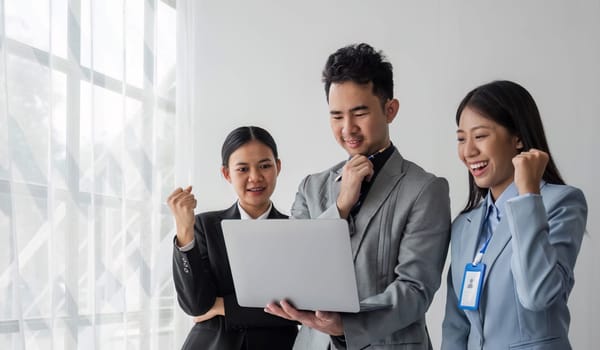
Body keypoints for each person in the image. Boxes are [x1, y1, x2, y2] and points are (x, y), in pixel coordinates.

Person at [265, 43, 451, 349]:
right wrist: (339, 207)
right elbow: (296, 265)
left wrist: (345, 326)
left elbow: (415, 289)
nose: (347, 128)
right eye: (336, 116)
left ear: (390, 110)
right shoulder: (311, 187)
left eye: (359, 113)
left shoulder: (424, 189)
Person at [441, 80, 588, 350]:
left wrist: (528, 195)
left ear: (517, 137)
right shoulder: (465, 224)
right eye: (462, 138)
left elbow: (538, 295)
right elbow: (456, 324)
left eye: (480, 136)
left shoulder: (561, 203)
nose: (468, 151)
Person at [169, 126, 298, 350]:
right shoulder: (205, 226)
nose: (255, 177)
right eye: (242, 169)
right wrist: (184, 233)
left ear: (278, 167)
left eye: (265, 166)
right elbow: (196, 305)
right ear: (227, 174)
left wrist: (221, 306)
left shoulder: (296, 230)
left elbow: (299, 311)